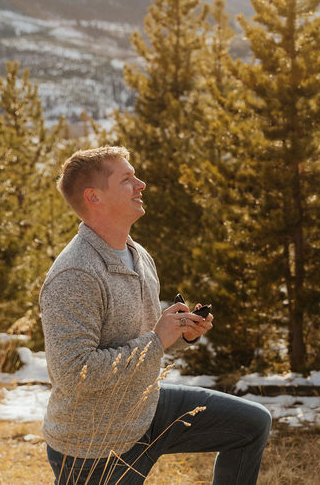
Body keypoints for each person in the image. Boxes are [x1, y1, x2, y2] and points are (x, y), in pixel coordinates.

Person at [40, 146, 271, 485]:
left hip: (145, 408)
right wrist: (158, 339)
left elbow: (143, 337)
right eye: (126, 179)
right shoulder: (75, 274)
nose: (141, 183)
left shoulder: (138, 255)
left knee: (252, 424)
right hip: (95, 445)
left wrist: (181, 330)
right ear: (94, 197)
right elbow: (74, 373)